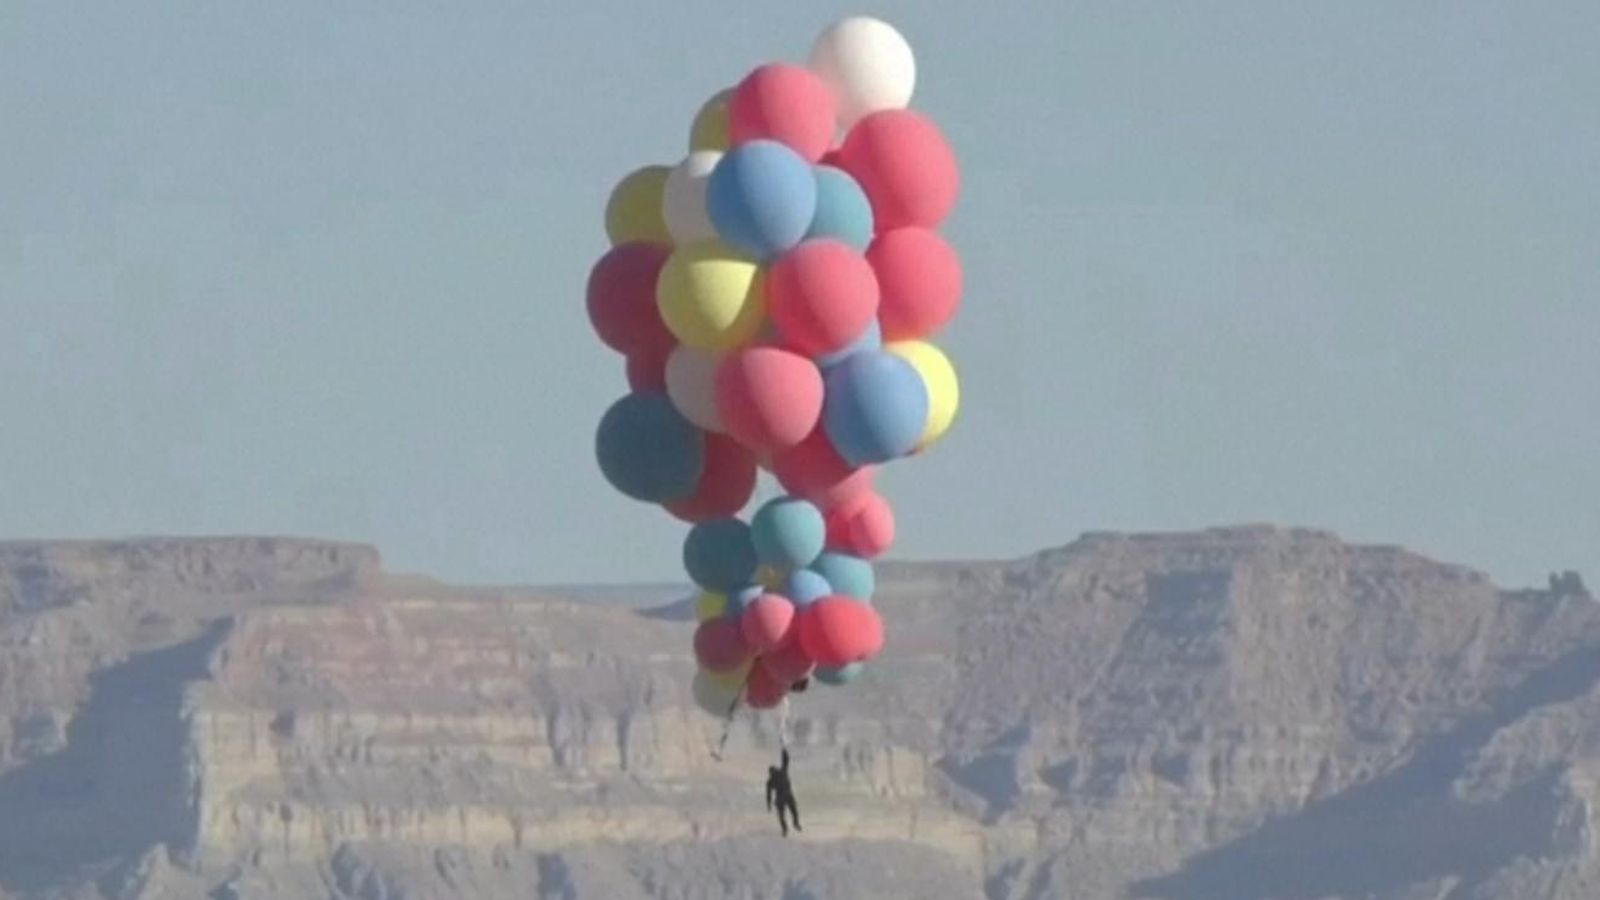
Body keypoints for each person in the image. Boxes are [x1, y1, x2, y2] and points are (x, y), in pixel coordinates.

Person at [765, 748, 801, 836]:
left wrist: (769, 805)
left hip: (782, 797)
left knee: (784, 815)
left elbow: (768, 795)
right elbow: (786, 760)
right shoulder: (782, 772)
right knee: (793, 811)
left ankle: (786, 828)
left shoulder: (771, 781)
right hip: (786, 795)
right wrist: (784, 750)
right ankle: (794, 824)